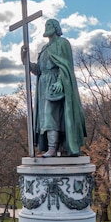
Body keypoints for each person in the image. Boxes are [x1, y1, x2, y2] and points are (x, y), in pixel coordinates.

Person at [21, 18, 86, 157]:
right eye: (46, 25)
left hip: (56, 84)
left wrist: (60, 82)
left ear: (56, 27)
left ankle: (52, 148)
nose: (47, 27)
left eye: (49, 24)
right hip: (43, 86)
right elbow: (38, 70)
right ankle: (51, 147)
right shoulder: (45, 48)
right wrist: (25, 60)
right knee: (44, 118)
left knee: (52, 116)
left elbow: (66, 65)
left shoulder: (63, 43)